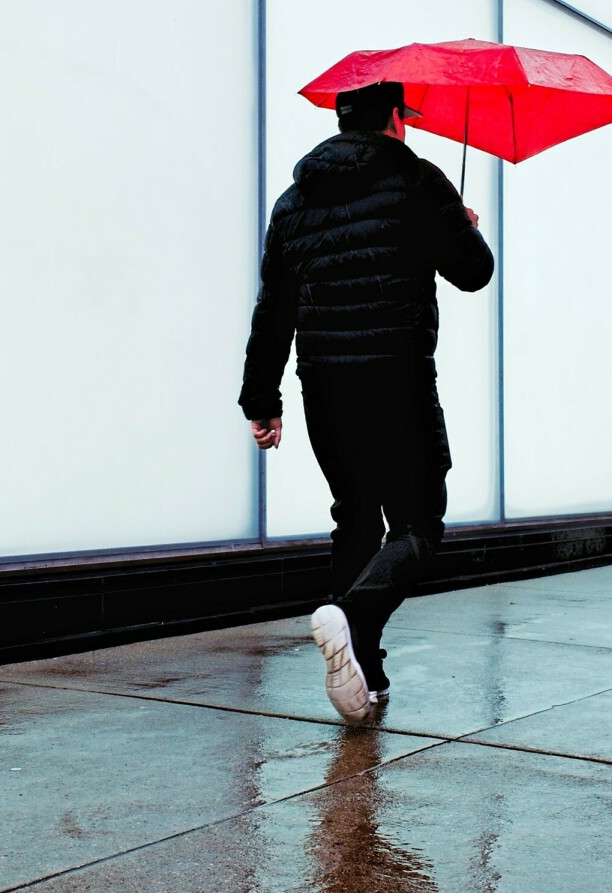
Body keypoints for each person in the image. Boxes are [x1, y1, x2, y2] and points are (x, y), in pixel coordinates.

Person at [239, 81, 494, 722]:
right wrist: (461, 224)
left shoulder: (294, 201)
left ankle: (367, 680)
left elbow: (273, 309)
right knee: (417, 523)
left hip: (321, 380)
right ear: (394, 121)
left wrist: (260, 399)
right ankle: (350, 621)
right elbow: (474, 272)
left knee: (355, 519)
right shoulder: (417, 179)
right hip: (398, 376)